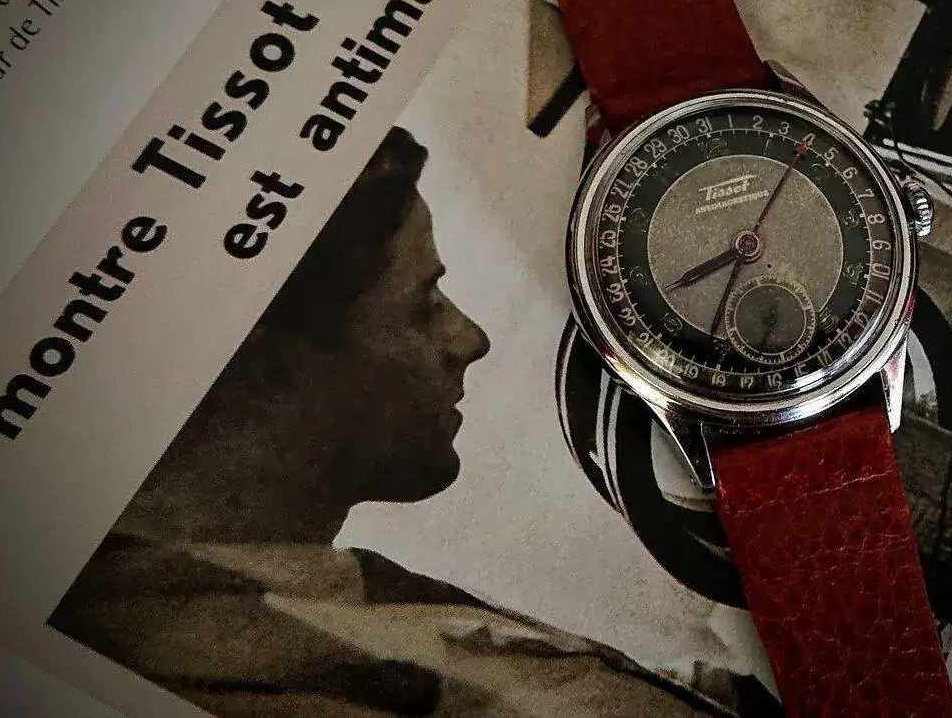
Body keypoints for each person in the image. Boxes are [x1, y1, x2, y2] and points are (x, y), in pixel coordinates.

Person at [50, 127, 730, 717]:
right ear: (271, 360)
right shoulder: (227, 668)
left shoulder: (300, 593)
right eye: (422, 304)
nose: (470, 339)